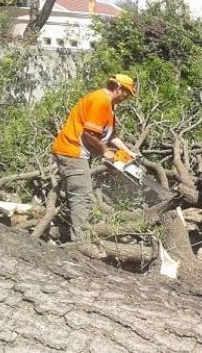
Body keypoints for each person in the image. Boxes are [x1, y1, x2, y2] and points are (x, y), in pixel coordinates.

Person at [51, 74, 140, 241]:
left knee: (83, 196)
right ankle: (81, 244)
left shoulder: (109, 105)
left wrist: (127, 152)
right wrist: (106, 152)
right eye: (126, 93)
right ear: (118, 88)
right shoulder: (100, 101)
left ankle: (80, 237)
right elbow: (90, 135)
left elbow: (111, 135)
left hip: (77, 153)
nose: (126, 97)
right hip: (72, 152)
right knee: (81, 197)